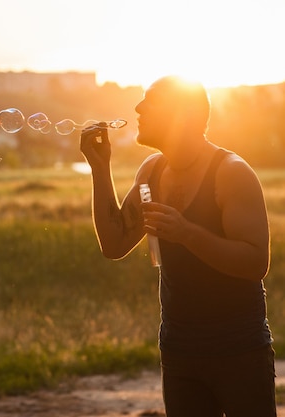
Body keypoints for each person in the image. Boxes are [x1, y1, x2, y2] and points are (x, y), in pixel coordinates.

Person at [79, 76, 275, 416]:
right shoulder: (151, 171)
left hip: (239, 350)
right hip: (179, 349)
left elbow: (256, 262)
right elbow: (113, 243)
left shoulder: (230, 173)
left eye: (149, 102)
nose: (138, 108)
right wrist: (100, 168)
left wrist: (187, 233)